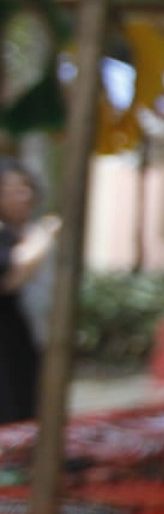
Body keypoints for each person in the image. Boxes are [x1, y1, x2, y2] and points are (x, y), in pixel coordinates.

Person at [0, 161, 56, 424]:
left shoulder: (27, 231)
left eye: (26, 188)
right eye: (12, 190)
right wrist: (44, 238)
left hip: (27, 341)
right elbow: (10, 277)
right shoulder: (32, 236)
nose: (23, 196)